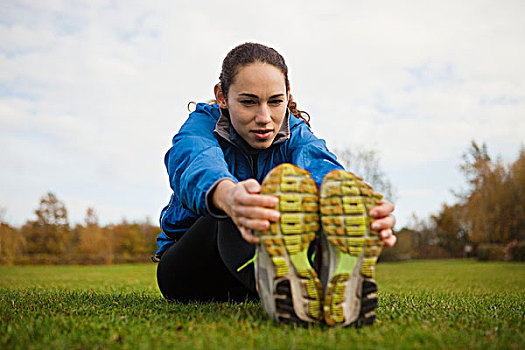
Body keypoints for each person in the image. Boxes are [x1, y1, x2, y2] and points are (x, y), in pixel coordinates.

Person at [155, 42, 396, 327]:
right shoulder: (201, 126)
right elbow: (194, 159)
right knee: (247, 200)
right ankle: (280, 282)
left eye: (275, 102)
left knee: (317, 199)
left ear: (287, 96)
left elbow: (321, 165)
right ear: (221, 96)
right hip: (192, 271)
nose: (264, 118)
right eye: (248, 102)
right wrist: (228, 195)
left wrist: (361, 207)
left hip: (254, 271)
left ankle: (326, 283)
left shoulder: (297, 133)